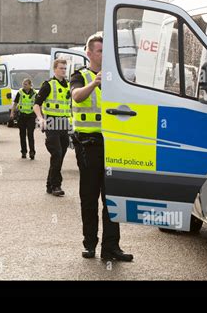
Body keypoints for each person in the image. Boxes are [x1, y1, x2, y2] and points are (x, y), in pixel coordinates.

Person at [71, 35, 133, 262]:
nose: (104, 55)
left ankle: (111, 248)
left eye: (106, 51)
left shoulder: (115, 78)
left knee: (112, 197)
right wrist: (94, 83)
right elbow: (76, 96)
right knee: (89, 197)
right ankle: (89, 244)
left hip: (113, 144)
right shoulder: (80, 76)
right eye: (99, 51)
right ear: (89, 53)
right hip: (88, 146)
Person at [34, 59, 71, 197]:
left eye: (65, 68)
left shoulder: (68, 85)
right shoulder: (48, 85)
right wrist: (41, 118)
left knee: (60, 156)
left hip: (64, 123)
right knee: (57, 153)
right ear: (54, 69)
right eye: (61, 68)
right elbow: (36, 104)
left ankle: (50, 184)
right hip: (51, 122)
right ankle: (56, 185)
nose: (63, 70)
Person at [11, 78, 36, 159]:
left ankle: (32, 152)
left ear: (30, 85)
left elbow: (38, 105)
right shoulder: (20, 92)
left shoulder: (34, 93)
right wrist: (12, 112)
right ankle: (24, 152)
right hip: (22, 116)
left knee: (30, 134)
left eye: (25, 84)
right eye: (23, 84)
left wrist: (40, 115)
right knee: (22, 135)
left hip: (31, 116)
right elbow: (15, 103)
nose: (24, 86)